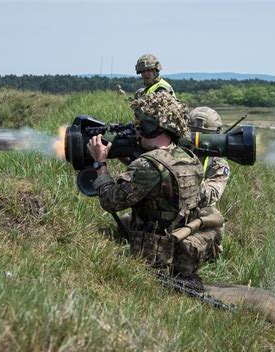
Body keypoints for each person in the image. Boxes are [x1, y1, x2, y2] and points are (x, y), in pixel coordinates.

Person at [87, 92, 219, 289]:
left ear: (153, 127)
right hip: (182, 256)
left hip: (153, 261)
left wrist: (100, 163)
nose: (137, 131)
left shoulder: (147, 165)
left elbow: (111, 201)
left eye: (141, 125)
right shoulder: (189, 157)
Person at [188, 107, 230, 258]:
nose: (199, 140)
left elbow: (210, 196)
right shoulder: (172, 151)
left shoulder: (218, 164)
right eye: (194, 133)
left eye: (206, 136)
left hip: (198, 210)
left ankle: (210, 256)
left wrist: (184, 176)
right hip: (171, 205)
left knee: (214, 220)